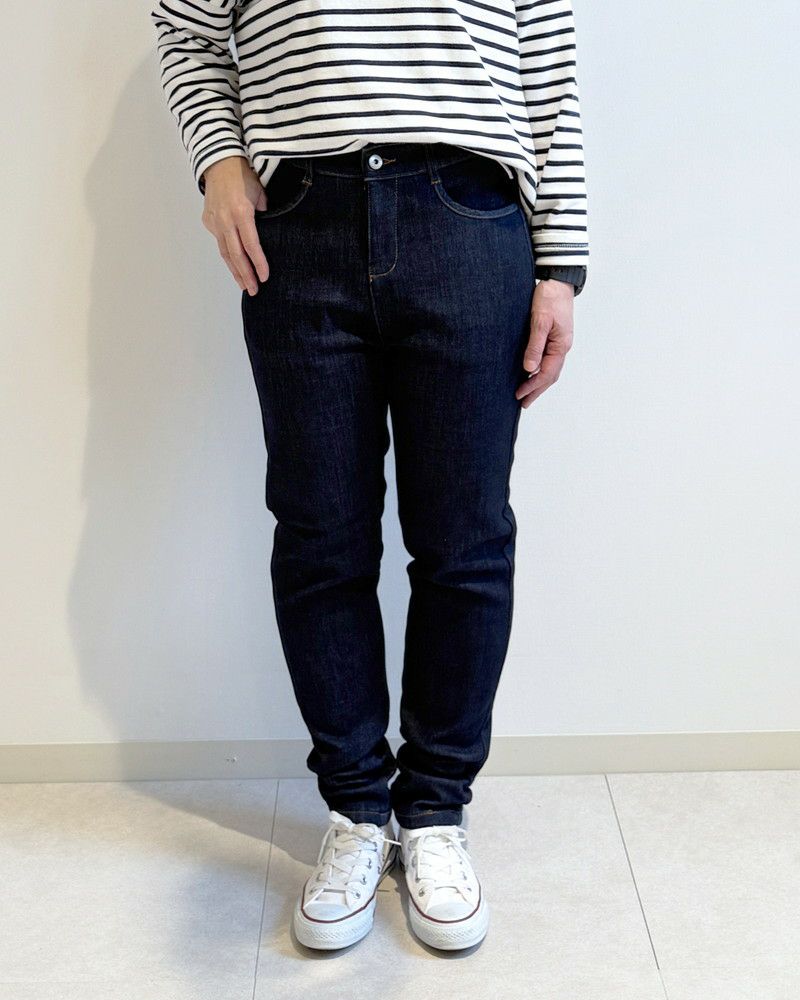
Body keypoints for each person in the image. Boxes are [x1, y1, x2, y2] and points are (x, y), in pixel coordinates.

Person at [150, 0, 588, 952]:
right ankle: (356, 811)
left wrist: (561, 264)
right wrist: (219, 160)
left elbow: (547, 65)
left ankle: (433, 813)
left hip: (470, 212)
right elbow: (186, 25)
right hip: (299, 220)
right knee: (321, 536)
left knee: (465, 538)